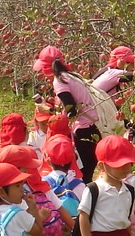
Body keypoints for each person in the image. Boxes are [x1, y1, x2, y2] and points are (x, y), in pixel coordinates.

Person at [35, 46, 102, 181]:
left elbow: (71, 110)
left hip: (82, 131)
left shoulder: (59, 80)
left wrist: (48, 110)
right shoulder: (71, 76)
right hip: (91, 128)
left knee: (83, 175)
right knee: (87, 171)